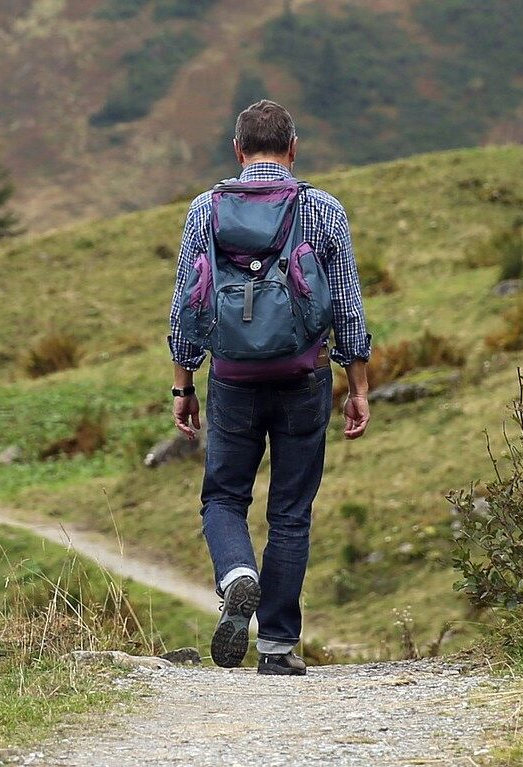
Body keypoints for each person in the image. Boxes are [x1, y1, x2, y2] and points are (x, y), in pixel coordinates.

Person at [167, 99, 371, 676]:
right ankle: (278, 647)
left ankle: (237, 575)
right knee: (290, 512)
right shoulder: (323, 210)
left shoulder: (206, 211)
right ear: (293, 148)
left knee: (224, 497)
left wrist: (183, 384)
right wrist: (357, 385)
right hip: (304, 376)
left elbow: (187, 303)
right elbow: (349, 308)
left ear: (237, 150)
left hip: (231, 379)